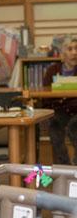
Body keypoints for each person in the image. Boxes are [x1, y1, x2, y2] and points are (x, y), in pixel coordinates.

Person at [42, 35, 77, 164]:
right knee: (55, 128)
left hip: (76, 113)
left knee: (75, 127)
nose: (74, 52)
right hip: (58, 112)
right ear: (62, 54)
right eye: (70, 49)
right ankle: (65, 166)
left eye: (76, 48)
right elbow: (45, 97)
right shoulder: (52, 70)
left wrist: (63, 99)